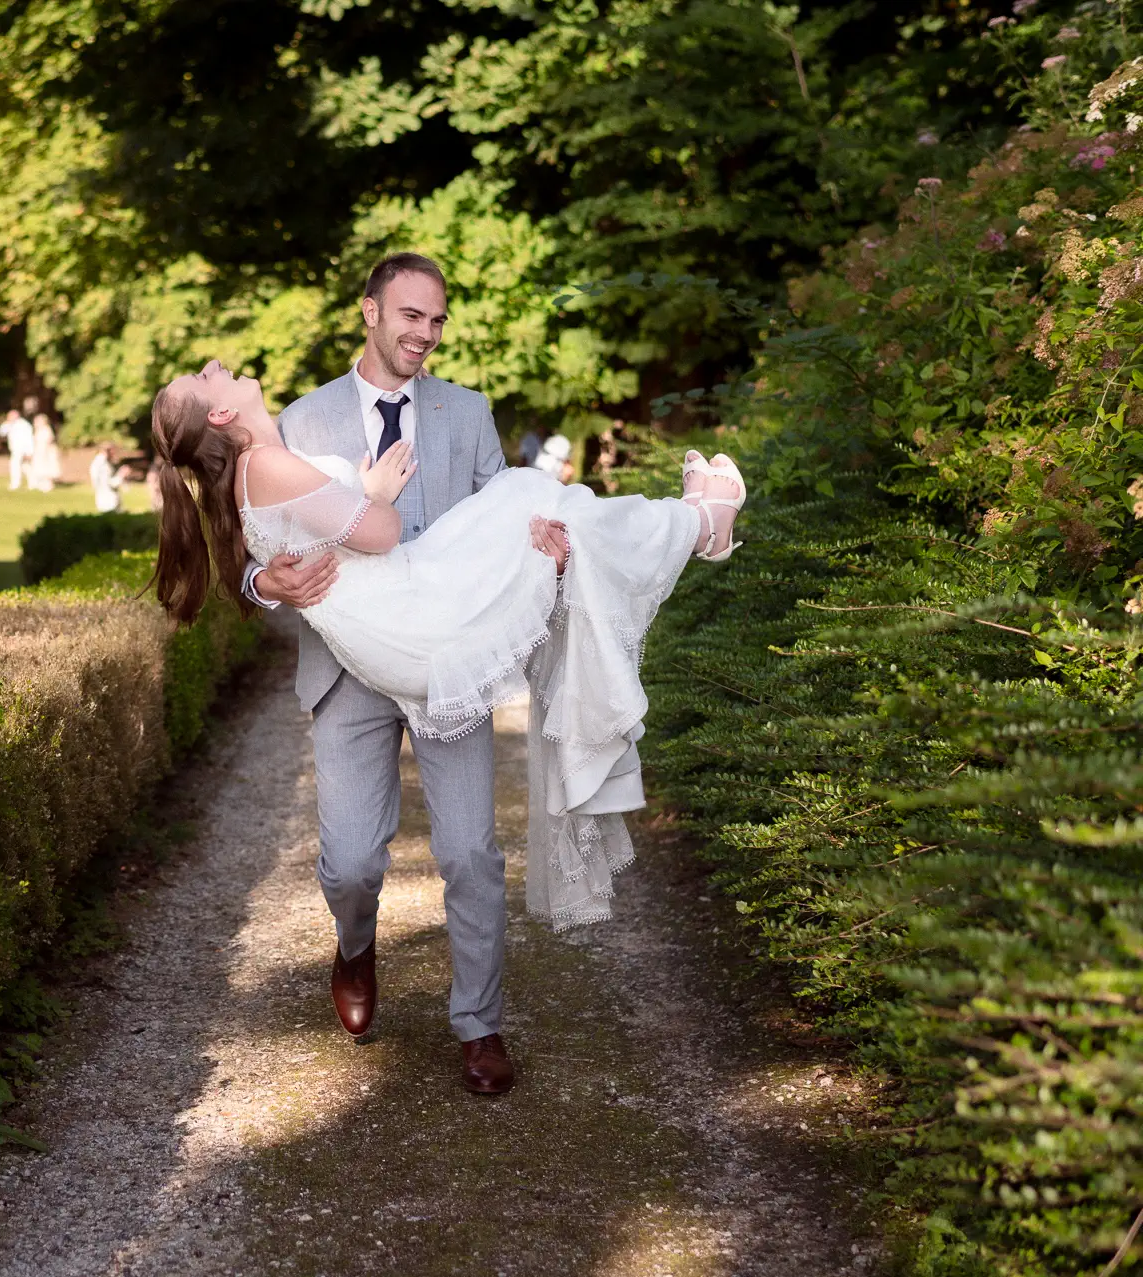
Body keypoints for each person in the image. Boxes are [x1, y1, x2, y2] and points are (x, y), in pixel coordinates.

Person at [156, 253, 743, 1095]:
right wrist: (263, 581)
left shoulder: (467, 413)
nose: (424, 334)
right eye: (409, 317)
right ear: (369, 312)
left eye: (436, 320)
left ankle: (480, 1025)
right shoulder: (300, 417)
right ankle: (354, 946)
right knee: (353, 862)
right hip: (353, 666)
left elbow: (495, 510)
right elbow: (255, 531)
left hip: (447, 652)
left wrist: (546, 544)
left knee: (470, 850)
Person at [0, 408, 35, 490]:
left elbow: (29, 439)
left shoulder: (24, 425)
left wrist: (29, 451)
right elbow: (2, 432)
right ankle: (26, 483)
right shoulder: (9, 424)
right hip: (14, 449)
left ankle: (17, 484)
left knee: (17, 466)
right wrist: (8, 423)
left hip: (23, 449)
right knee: (23, 466)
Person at [27, 413, 62, 491]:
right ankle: (39, 484)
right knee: (39, 469)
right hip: (39, 451)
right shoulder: (38, 430)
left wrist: (44, 453)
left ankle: (47, 485)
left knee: (47, 469)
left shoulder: (46, 430)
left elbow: (47, 442)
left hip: (46, 452)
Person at [90, 444, 127, 512]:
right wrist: (121, 474)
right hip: (108, 502)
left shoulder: (100, 462)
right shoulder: (102, 464)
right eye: (113, 452)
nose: (114, 455)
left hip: (106, 499)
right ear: (108, 451)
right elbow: (109, 483)